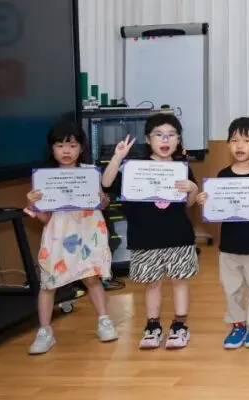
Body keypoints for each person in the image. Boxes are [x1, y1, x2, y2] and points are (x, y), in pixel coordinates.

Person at [101, 113, 199, 350]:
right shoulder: (134, 168)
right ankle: (152, 326)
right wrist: (118, 156)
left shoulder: (181, 168)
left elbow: (188, 204)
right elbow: (106, 183)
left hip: (178, 236)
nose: (165, 140)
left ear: (178, 140)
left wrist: (193, 189)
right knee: (152, 283)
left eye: (171, 135)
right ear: (148, 139)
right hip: (145, 237)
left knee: (179, 281)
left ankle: (180, 326)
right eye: (159, 135)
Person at [24, 120, 116, 355]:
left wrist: (103, 199)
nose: (66, 151)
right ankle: (45, 331)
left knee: (92, 278)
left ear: (81, 148)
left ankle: (104, 320)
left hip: (87, 233)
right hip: (57, 237)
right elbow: (45, 219)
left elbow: (102, 204)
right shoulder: (45, 178)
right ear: (52, 149)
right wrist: (32, 205)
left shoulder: (89, 173)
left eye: (72, 146)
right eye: (60, 146)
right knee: (48, 284)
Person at [195, 117, 249, 349]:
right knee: (231, 289)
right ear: (228, 144)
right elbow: (217, 209)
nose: (239, 145)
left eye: (247, 140)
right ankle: (238, 325)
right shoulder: (222, 175)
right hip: (229, 245)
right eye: (235, 140)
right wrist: (205, 201)